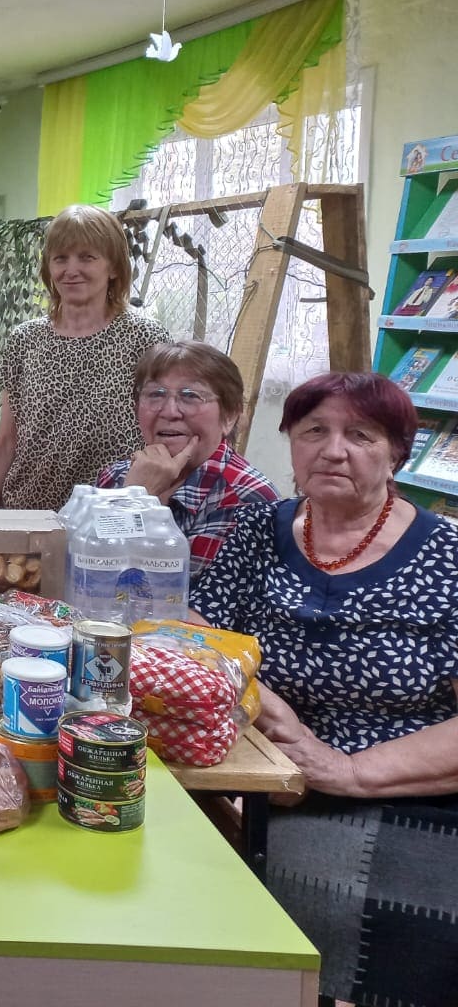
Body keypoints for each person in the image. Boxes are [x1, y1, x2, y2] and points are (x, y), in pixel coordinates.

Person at [189, 372, 458, 1007]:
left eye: (360, 435)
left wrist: (347, 771)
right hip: (259, 772)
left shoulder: (446, 559)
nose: (333, 450)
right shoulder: (260, 531)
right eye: (313, 431)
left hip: (400, 797)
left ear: (397, 453)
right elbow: (197, 631)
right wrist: (255, 692)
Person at [0, 204, 171, 511]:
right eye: (60, 258)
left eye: (87, 257)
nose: (71, 270)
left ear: (114, 267)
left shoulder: (145, 338)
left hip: (113, 514)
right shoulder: (25, 340)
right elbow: (6, 441)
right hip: (31, 513)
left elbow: (162, 437)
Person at [97, 341, 278, 582]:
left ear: (230, 416)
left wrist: (136, 500)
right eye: (155, 394)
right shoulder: (116, 477)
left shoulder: (248, 500)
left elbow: (173, 600)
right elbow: (73, 572)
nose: (170, 411)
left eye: (191, 396)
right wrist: (133, 493)